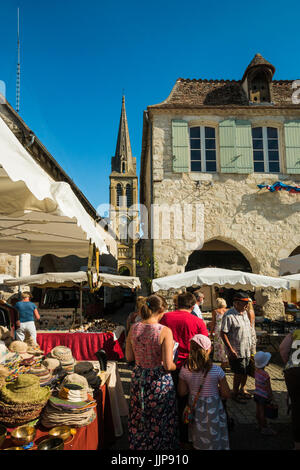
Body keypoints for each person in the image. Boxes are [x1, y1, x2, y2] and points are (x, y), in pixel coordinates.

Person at [126, 294, 178, 450]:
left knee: (139, 413)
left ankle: (141, 445)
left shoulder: (133, 328)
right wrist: (177, 365)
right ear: (161, 310)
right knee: (160, 417)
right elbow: (168, 365)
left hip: (139, 377)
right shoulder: (164, 331)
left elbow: (129, 357)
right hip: (157, 380)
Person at [160, 291, 208, 445]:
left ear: (177, 303)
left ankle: (173, 432)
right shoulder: (197, 321)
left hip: (170, 365)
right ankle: (189, 434)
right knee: (190, 400)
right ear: (193, 305)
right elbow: (206, 345)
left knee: (172, 399)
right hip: (191, 366)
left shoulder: (166, 317)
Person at [178, 334, 231, 450]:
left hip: (194, 407)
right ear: (208, 350)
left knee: (197, 434)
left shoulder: (185, 369)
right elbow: (226, 393)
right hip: (213, 408)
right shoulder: (217, 370)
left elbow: (182, 392)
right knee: (213, 433)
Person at [221, 291, 253, 403]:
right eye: (244, 303)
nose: (246, 305)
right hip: (236, 350)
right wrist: (230, 349)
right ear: (236, 303)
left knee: (246, 371)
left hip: (247, 348)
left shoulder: (245, 313)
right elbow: (223, 333)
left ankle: (242, 389)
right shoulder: (229, 315)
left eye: (247, 303)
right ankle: (234, 392)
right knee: (238, 372)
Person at [279, 327, 300, 450]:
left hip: (294, 371)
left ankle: (298, 444)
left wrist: (289, 364)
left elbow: (282, 349)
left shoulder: (296, 331)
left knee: (297, 408)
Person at [253, 350, 277, 436]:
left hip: (256, 394)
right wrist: (271, 397)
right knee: (263, 412)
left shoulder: (256, 372)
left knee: (258, 411)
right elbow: (268, 388)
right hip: (263, 396)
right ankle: (264, 428)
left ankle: (259, 424)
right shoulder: (266, 375)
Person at [210, 297, 229, 370]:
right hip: (226, 329)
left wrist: (211, 333)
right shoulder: (228, 311)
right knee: (226, 345)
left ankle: (223, 361)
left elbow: (213, 323)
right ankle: (226, 361)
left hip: (218, 330)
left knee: (220, 346)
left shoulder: (215, 311)